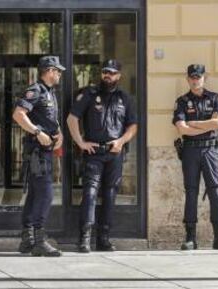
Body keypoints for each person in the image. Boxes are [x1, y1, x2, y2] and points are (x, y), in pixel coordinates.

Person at [67, 59, 137, 253]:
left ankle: (104, 238)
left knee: (110, 195)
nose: (108, 75)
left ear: (119, 75)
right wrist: (80, 142)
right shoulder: (89, 94)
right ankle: (85, 238)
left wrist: (121, 141)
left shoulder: (125, 98)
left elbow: (133, 126)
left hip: (114, 154)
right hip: (94, 153)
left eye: (112, 72)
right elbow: (72, 118)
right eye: (105, 72)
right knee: (89, 194)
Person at [172, 64, 218, 250]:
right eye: (191, 77)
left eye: (198, 77)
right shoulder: (182, 101)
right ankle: (190, 238)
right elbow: (182, 128)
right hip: (190, 151)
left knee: (215, 192)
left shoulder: (215, 98)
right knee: (191, 192)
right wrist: (207, 124)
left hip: (211, 151)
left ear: (204, 78)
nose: (195, 80)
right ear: (187, 79)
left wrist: (195, 124)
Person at [12, 55, 65, 257]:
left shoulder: (49, 92)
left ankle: (28, 239)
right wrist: (37, 132)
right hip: (36, 152)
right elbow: (18, 114)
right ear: (49, 71)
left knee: (35, 194)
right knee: (45, 194)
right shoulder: (36, 90)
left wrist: (58, 132)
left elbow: (47, 118)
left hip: (44, 151)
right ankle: (39, 240)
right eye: (57, 70)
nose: (59, 74)